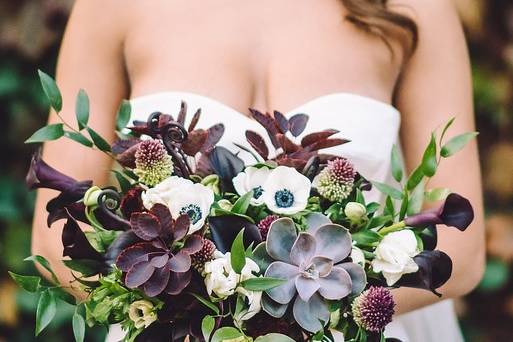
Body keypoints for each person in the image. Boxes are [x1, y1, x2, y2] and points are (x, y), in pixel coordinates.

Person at [31, 1, 485, 341]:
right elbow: (54, 243)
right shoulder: (110, 6)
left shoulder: (414, 6)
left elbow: (461, 249)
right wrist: (195, 306)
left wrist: (308, 312)